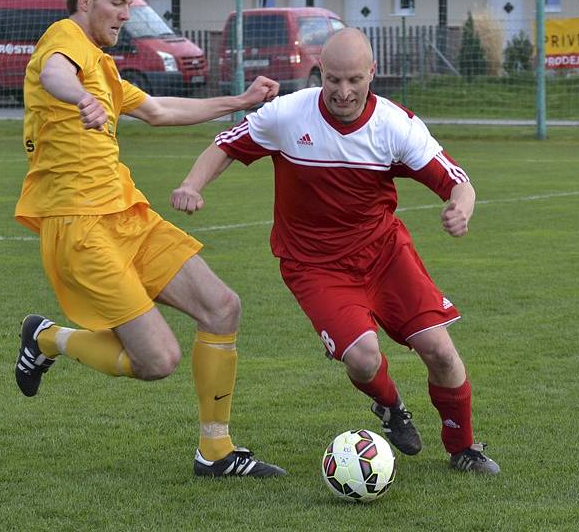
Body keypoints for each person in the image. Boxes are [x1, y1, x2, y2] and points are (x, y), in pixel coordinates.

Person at [170, 27, 500, 474]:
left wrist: (461, 209)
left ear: (372, 74)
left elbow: (456, 181)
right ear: (320, 71)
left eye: (354, 81)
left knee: (440, 351)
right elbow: (225, 145)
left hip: (384, 255)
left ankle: (463, 448)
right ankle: (390, 407)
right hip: (314, 266)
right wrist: (192, 184)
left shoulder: (395, 125)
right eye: (333, 80)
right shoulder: (288, 115)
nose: (343, 92)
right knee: (363, 359)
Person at [13, 0, 285, 478]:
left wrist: (239, 100)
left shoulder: (105, 67)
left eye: (130, 3)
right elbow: (54, 75)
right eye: (117, 2)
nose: (125, 13)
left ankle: (216, 452)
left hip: (127, 214)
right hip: (80, 226)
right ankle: (47, 338)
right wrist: (79, 99)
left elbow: (160, 111)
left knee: (222, 307)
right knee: (157, 362)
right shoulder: (63, 42)